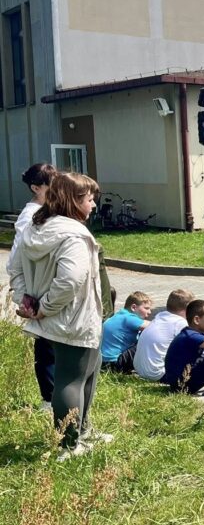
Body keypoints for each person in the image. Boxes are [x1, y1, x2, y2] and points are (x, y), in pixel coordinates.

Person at [9, 172, 108, 460]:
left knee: (85, 372)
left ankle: (81, 432)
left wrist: (26, 301)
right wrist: (43, 307)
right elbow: (70, 280)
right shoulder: (74, 236)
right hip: (73, 318)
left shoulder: (35, 229)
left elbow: (14, 269)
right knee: (71, 379)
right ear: (73, 200)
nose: (93, 206)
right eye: (89, 200)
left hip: (53, 318)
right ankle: (69, 444)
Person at [8, 162, 58, 410]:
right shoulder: (29, 217)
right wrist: (22, 297)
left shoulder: (50, 211)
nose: (57, 190)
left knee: (51, 343)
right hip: (36, 291)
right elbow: (15, 261)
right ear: (35, 187)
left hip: (47, 287)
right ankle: (49, 399)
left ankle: (54, 396)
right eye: (51, 186)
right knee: (46, 345)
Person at [133, 289, 194, 383]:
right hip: (157, 374)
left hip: (140, 370)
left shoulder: (160, 316)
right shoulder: (180, 323)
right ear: (188, 308)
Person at [100, 291, 152, 373]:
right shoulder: (128, 318)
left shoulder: (118, 315)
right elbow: (155, 327)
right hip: (115, 363)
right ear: (134, 307)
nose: (149, 312)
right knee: (149, 339)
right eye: (146, 308)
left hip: (103, 363)